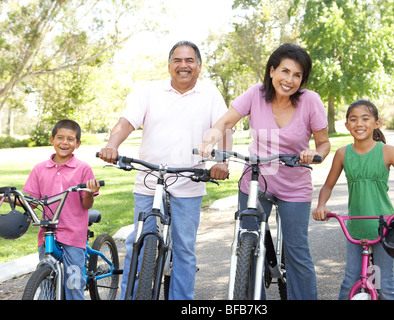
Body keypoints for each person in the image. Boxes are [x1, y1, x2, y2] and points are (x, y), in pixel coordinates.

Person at [98, 41, 229, 300]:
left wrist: (220, 161)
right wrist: (112, 144)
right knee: (137, 242)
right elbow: (126, 122)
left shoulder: (210, 94)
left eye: (189, 60)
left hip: (189, 181)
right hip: (149, 180)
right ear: (169, 65)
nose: (183, 65)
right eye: (178, 60)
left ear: (199, 66)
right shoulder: (148, 91)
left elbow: (225, 126)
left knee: (184, 250)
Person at [198, 43, 330, 300]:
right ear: (272, 71)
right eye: (285, 71)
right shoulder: (255, 94)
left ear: (303, 79)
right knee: (246, 243)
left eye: (297, 75)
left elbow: (324, 143)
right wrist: (209, 142)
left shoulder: (310, 101)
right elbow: (225, 121)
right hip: (256, 180)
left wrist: (315, 154)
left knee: (297, 251)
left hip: (294, 184)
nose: (290, 80)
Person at [312, 99, 394, 300]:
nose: (359, 124)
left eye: (365, 118)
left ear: (377, 123)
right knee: (349, 282)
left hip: (384, 228)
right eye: (353, 119)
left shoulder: (387, 151)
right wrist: (321, 205)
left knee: (385, 286)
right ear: (347, 125)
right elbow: (328, 186)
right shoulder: (343, 154)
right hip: (356, 230)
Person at [23, 119, 101, 300]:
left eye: (70, 139)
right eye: (60, 138)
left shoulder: (83, 169)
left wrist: (90, 192)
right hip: (47, 233)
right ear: (52, 140)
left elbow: (86, 205)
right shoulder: (39, 169)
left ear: (78, 144)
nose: (65, 143)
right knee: (46, 287)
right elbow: (32, 202)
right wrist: (9, 198)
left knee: (73, 287)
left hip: (73, 235)